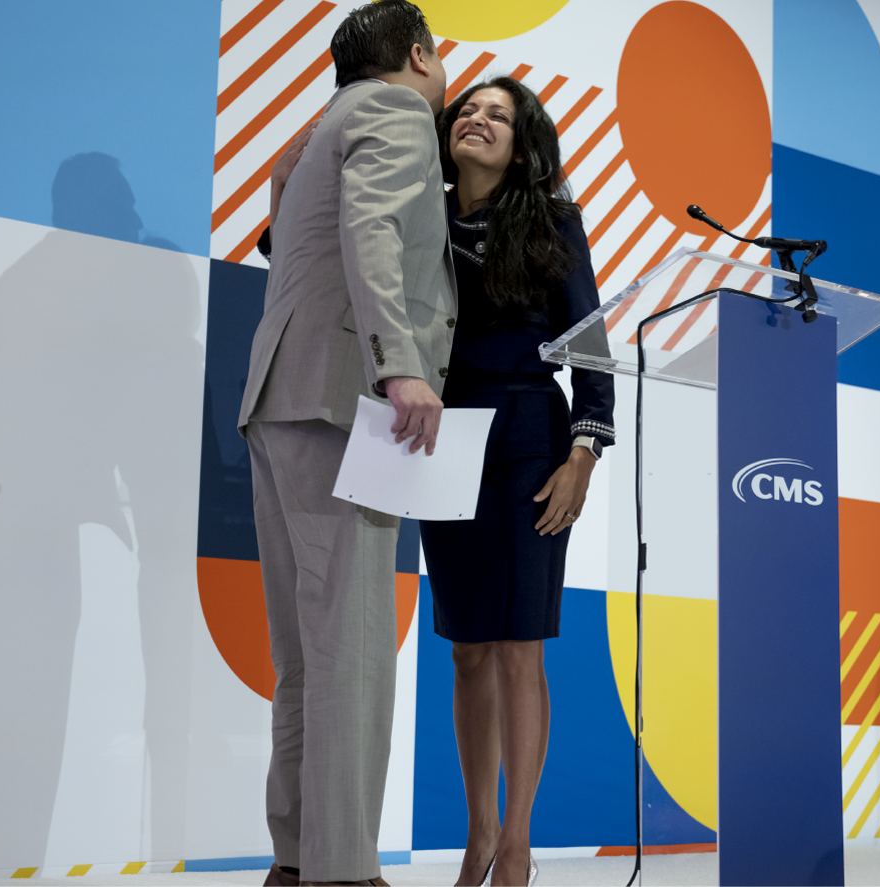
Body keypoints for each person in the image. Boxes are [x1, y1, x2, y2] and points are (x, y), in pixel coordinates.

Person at [237, 3, 456, 887]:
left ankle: (296, 863)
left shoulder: (324, 126)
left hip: (280, 400)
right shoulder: (396, 112)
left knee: (308, 655)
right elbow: (370, 232)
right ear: (417, 54)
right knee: (352, 651)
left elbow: (307, 244)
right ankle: (341, 873)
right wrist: (400, 364)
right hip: (340, 404)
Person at [420, 77, 615, 887]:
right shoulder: (418, 215)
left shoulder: (552, 222)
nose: (476, 118)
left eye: (496, 114)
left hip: (529, 441)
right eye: (467, 108)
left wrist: (583, 450)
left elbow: (591, 343)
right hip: (434, 435)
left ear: (522, 141)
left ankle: (519, 845)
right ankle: (478, 832)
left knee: (516, 648)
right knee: (466, 648)